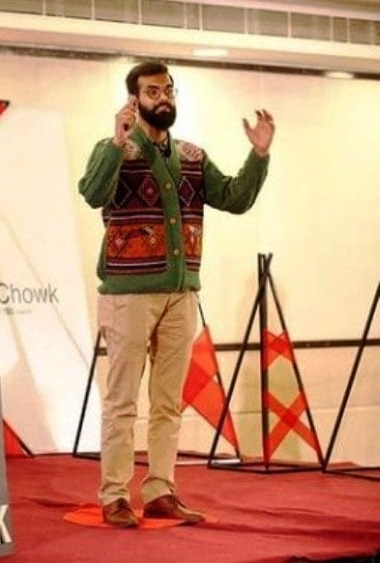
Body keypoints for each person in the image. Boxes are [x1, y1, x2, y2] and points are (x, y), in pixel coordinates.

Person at [78, 60, 275, 528]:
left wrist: (259, 156)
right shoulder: (114, 150)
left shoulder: (190, 155)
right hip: (128, 294)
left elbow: (234, 198)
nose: (162, 98)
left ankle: (161, 489)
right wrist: (116, 141)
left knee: (168, 401)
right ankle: (114, 495)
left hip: (181, 294)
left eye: (168, 90)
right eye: (152, 91)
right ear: (134, 99)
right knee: (122, 400)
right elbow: (91, 193)